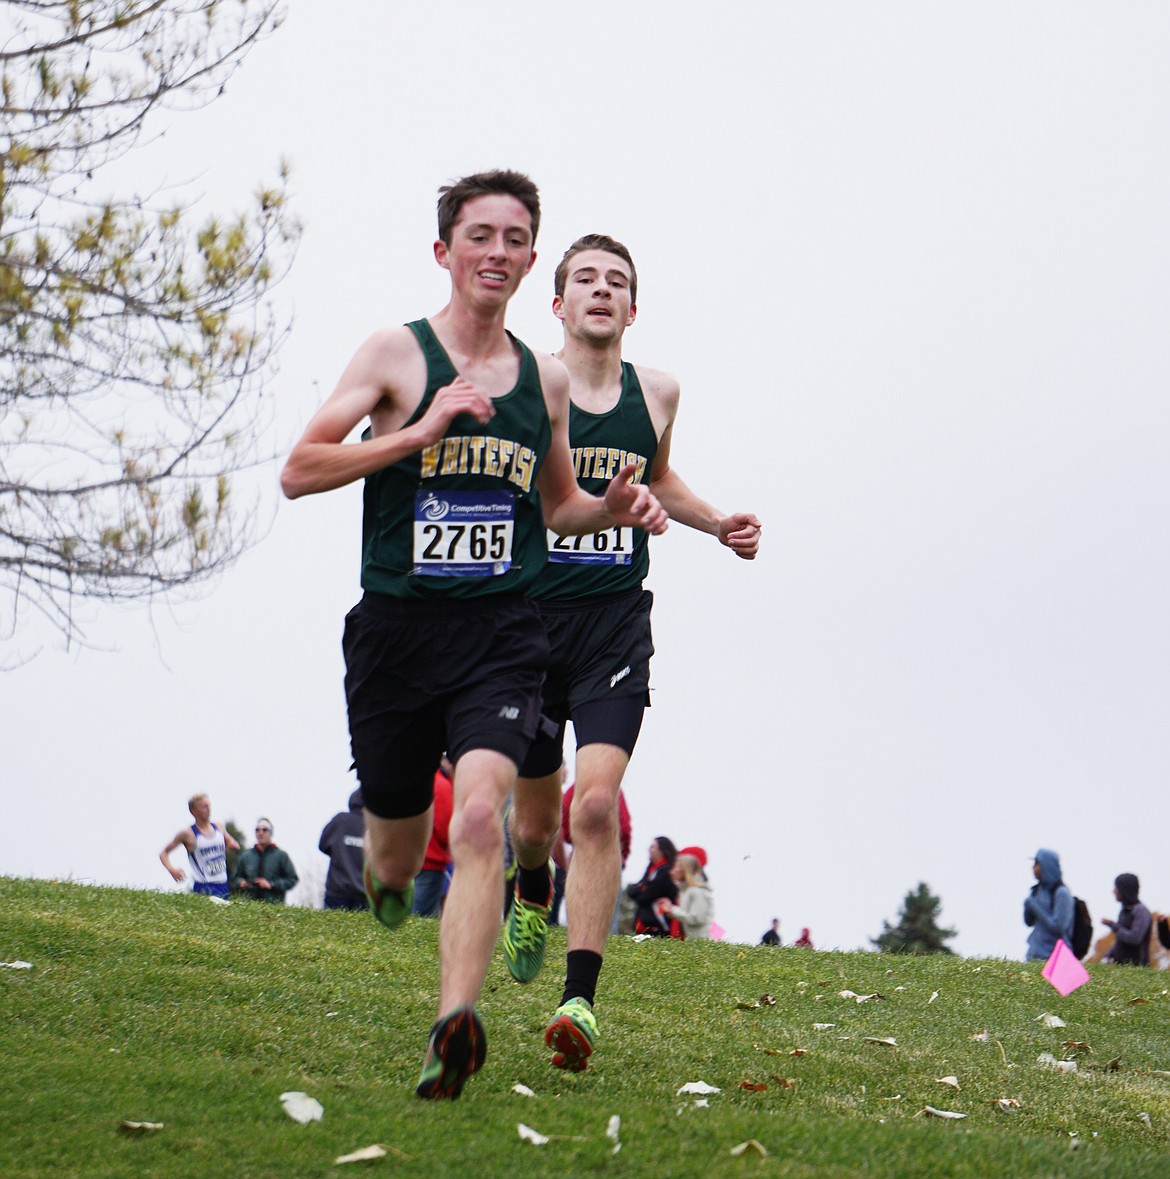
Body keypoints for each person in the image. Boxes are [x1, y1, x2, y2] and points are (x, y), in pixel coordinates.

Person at [279, 172, 667, 1101]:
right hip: (396, 634)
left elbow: (560, 506)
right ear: (445, 251)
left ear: (533, 262)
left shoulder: (545, 378)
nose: (497, 251)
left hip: (502, 632)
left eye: (515, 237)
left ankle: (456, 1021)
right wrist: (419, 433)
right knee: (398, 853)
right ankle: (384, 877)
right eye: (479, 234)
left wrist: (613, 505)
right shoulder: (396, 354)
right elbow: (300, 469)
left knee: (485, 815)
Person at [502, 233, 761, 1074]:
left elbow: (663, 475)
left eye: (617, 282)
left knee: (595, 804)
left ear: (633, 308)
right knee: (537, 823)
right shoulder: (527, 387)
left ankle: (579, 996)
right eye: (585, 280)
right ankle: (532, 883)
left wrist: (717, 523)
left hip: (615, 624)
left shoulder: (657, 392)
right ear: (559, 303)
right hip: (532, 624)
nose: (601, 292)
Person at [159, 793, 240, 900]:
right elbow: (163, 853)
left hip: (223, 884)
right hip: (204, 886)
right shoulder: (188, 834)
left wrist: (225, 849)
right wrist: (172, 870)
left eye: (209, 805)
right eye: (204, 806)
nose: (208, 809)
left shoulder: (219, 827)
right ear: (193, 810)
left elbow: (233, 844)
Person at [413, 757, 454, 918]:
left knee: (409, 913)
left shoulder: (421, 778)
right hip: (431, 863)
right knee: (423, 917)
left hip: (413, 858)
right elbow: (446, 828)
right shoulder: (441, 785)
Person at [318, 789, 367, 910]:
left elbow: (322, 845)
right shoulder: (374, 826)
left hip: (337, 891)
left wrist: (340, 852)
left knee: (331, 928)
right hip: (365, 894)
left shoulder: (339, 820)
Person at [1023, 848, 1074, 961]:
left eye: (1037, 863)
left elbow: (1059, 927)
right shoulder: (1036, 891)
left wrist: (1035, 906)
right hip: (1034, 955)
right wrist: (1027, 907)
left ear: (1046, 865)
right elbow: (1029, 922)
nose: (1033, 868)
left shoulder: (1062, 893)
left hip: (1054, 959)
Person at [234, 819, 299, 903]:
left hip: (274, 907)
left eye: (264, 830)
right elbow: (234, 878)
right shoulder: (245, 856)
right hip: (249, 907)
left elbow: (292, 879)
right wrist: (240, 882)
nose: (260, 833)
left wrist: (271, 884)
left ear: (271, 833)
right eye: (257, 830)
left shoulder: (281, 856)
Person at [625, 837, 680, 936]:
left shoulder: (665, 871)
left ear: (662, 851)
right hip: (644, 922)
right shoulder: (651, 869)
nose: (649, 850)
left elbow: (647, 895)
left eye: (653, 847)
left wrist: (640, 891)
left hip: (659, 924)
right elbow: (633, 889)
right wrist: (638, 890)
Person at [1102, 873, 1152, 966]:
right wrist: (1108, 955)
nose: (1114, 891)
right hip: (1122, 968)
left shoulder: (1141, 911)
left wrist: (1112, 925)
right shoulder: (1124, 911)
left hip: (1137, 970)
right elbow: (1121, 940)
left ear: (1125, 890)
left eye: (1117, 888)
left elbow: (1134, 938)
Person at [664, 852, 714, 940]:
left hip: (702, 943)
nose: (673, 871)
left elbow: (697, 918)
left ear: (685, 869)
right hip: (695, 942)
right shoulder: (686, 891)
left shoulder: (697, 891)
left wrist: (672, 910)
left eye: (677, 866)